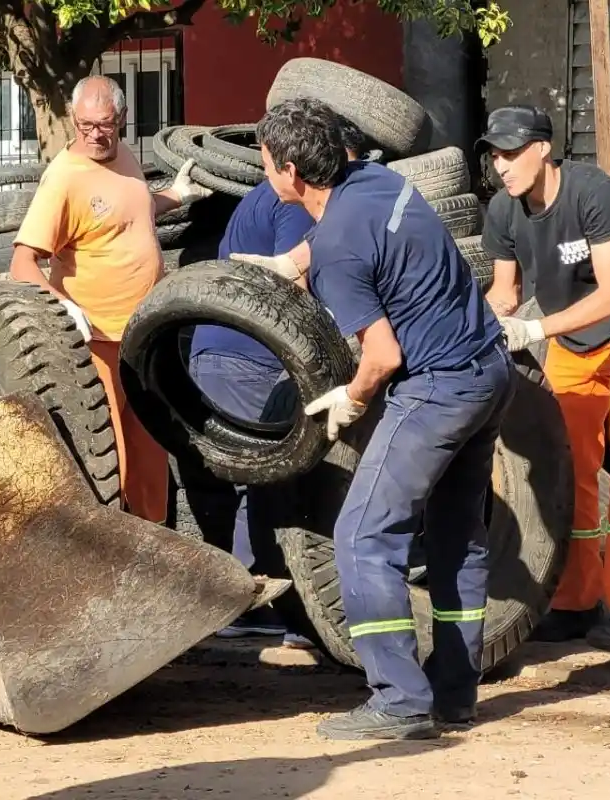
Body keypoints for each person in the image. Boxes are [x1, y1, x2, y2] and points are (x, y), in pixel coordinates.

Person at [253, 97, 516, 740]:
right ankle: (454, 696)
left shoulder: (340, 252)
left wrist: (352, 399)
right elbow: (343, 233)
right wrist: (294, 264)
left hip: (438, 389)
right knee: (458, 538)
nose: (263, 174)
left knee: (363, 535)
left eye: (265, 164)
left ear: (291, 172)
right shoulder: (375, 180)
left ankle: (397, 700)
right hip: (489, 370)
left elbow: (383, 354)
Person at [476, 104, 610, 655]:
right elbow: (505, 292)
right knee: (572, 469)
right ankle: (575, 602)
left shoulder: (592, 192)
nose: (501, 165)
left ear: (543, 148)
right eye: (494, 154)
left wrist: (534, 329)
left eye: (511, 152)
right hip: (572, 340)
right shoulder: (503, 210)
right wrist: (489, 320)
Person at [189, 119, 374, 647]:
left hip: (212, 350)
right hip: (251, 358)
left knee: (232, 475)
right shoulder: (293, 204)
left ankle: (229, 598)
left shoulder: (257, 197)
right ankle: (265, 603)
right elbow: (300, 280)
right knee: (279, 475)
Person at [9, 75, 212, 524]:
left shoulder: (123, 156)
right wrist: (60, 306)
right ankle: (113, 561)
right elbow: (22, 263)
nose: (94, 135)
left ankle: (153, 549)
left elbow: (127, 212)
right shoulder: (64, 179)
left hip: (143, 338)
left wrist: (174, 197)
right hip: (98, 345)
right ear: (73, 121)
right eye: (84, 126)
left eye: (104, 124)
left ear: (121, 118)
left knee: (149, 456)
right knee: (109, 458)